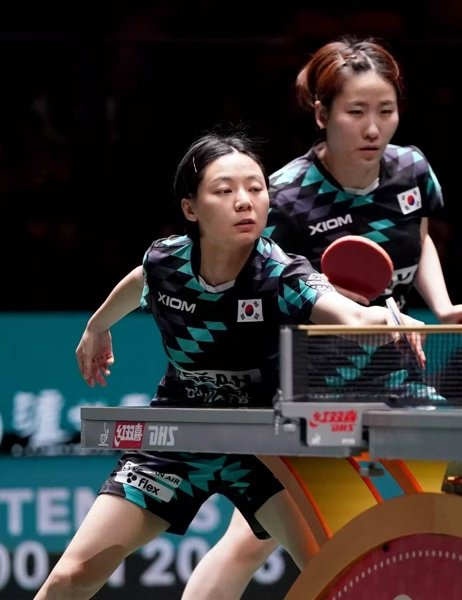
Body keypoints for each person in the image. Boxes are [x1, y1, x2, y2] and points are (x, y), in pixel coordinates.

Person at [35, 130, 425, 600]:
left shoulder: (283, 275)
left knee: (340, 575)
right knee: (72, 575)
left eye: (256, 188)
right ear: (191, 208)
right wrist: (97, 326)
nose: (244, 201)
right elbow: (140, 281)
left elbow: (350, 316)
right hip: (178, 436)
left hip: (264, 445)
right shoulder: (167, 262)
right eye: (225, 190)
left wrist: (389, 318)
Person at [181, 35, 462, 599]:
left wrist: (443, 306)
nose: (374, 128)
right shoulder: (285, 195)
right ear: (322, 114)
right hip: (313, 385)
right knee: (257, 538)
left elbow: (418, 239)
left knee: (456, 473)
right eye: (356, 112)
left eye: (386, 111)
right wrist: (336, 308)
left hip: (395, 373)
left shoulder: (412, 170)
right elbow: (254, 290)